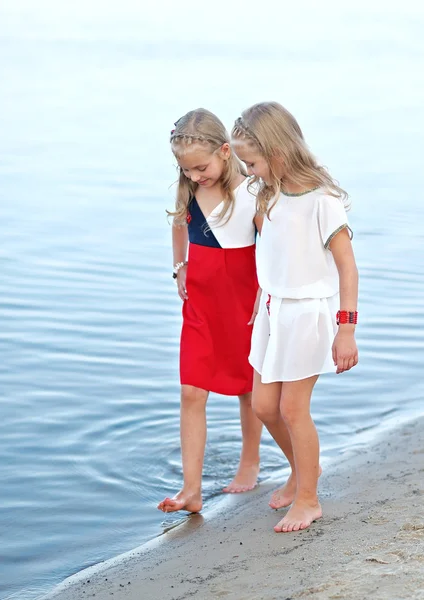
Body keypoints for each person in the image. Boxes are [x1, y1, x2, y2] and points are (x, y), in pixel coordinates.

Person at [231, 102, 359, 532]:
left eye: (251, 162)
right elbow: (273, 251)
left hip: (307, 314)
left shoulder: (321, 201)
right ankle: (303, 469)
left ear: (278, 151)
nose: (247, 172)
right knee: (265, 406)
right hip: (270, 311)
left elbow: (347, 267)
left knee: (292, 408)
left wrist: (347, 328)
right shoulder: (267, 191)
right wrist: (259, 296)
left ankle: (308, 498)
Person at [157, 109, 263, 514]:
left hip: (245, 295)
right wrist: (179, 266)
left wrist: (265, 292)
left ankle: (250, 461)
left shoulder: (255, 190)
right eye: (187, 171)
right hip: (200, 299)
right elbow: (179, 225)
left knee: (247, 385)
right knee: (190, 390)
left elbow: (271, 244)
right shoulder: (189, 188)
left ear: (225, 151)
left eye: (202, 168)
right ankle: (191, 490)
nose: (196, 176)